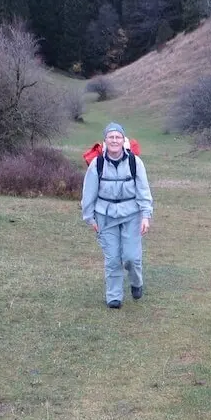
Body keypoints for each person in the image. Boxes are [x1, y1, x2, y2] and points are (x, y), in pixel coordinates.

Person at [81, 122, 154, 308]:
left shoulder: (134, 162)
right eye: (111, 137)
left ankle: (136, 282)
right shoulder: (97, 164)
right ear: (105, 141)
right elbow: (88, 192)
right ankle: (114, 296)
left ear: (123, 140)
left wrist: (146, 215)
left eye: (118, 137)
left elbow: (143, 190)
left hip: (131, 215)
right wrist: (90, 218)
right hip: (105, 216)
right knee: (112, 258)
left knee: (131, 257)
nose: (114, 140)